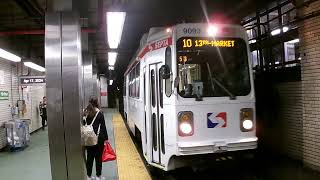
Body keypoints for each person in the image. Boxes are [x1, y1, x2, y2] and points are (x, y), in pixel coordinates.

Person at [85, 97, 108, 180]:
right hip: (99, 139)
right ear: (97, 103)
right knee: (98, 158)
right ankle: (98, 176)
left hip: (88, 138)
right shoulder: (100, 113)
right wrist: (106, 139)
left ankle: (88, 176)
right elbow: (103, 127)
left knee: (89, 158)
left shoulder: (86, 113)